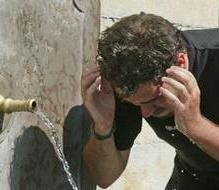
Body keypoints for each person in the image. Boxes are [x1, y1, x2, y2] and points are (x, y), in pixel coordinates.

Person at [80, 12, 219, 190]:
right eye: (136, 104)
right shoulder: (128, 82)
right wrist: (103, 126)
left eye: (155, 100)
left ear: (181, 63)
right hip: (194, 177)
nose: (146, 112)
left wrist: (196, 126)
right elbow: (105, 177)